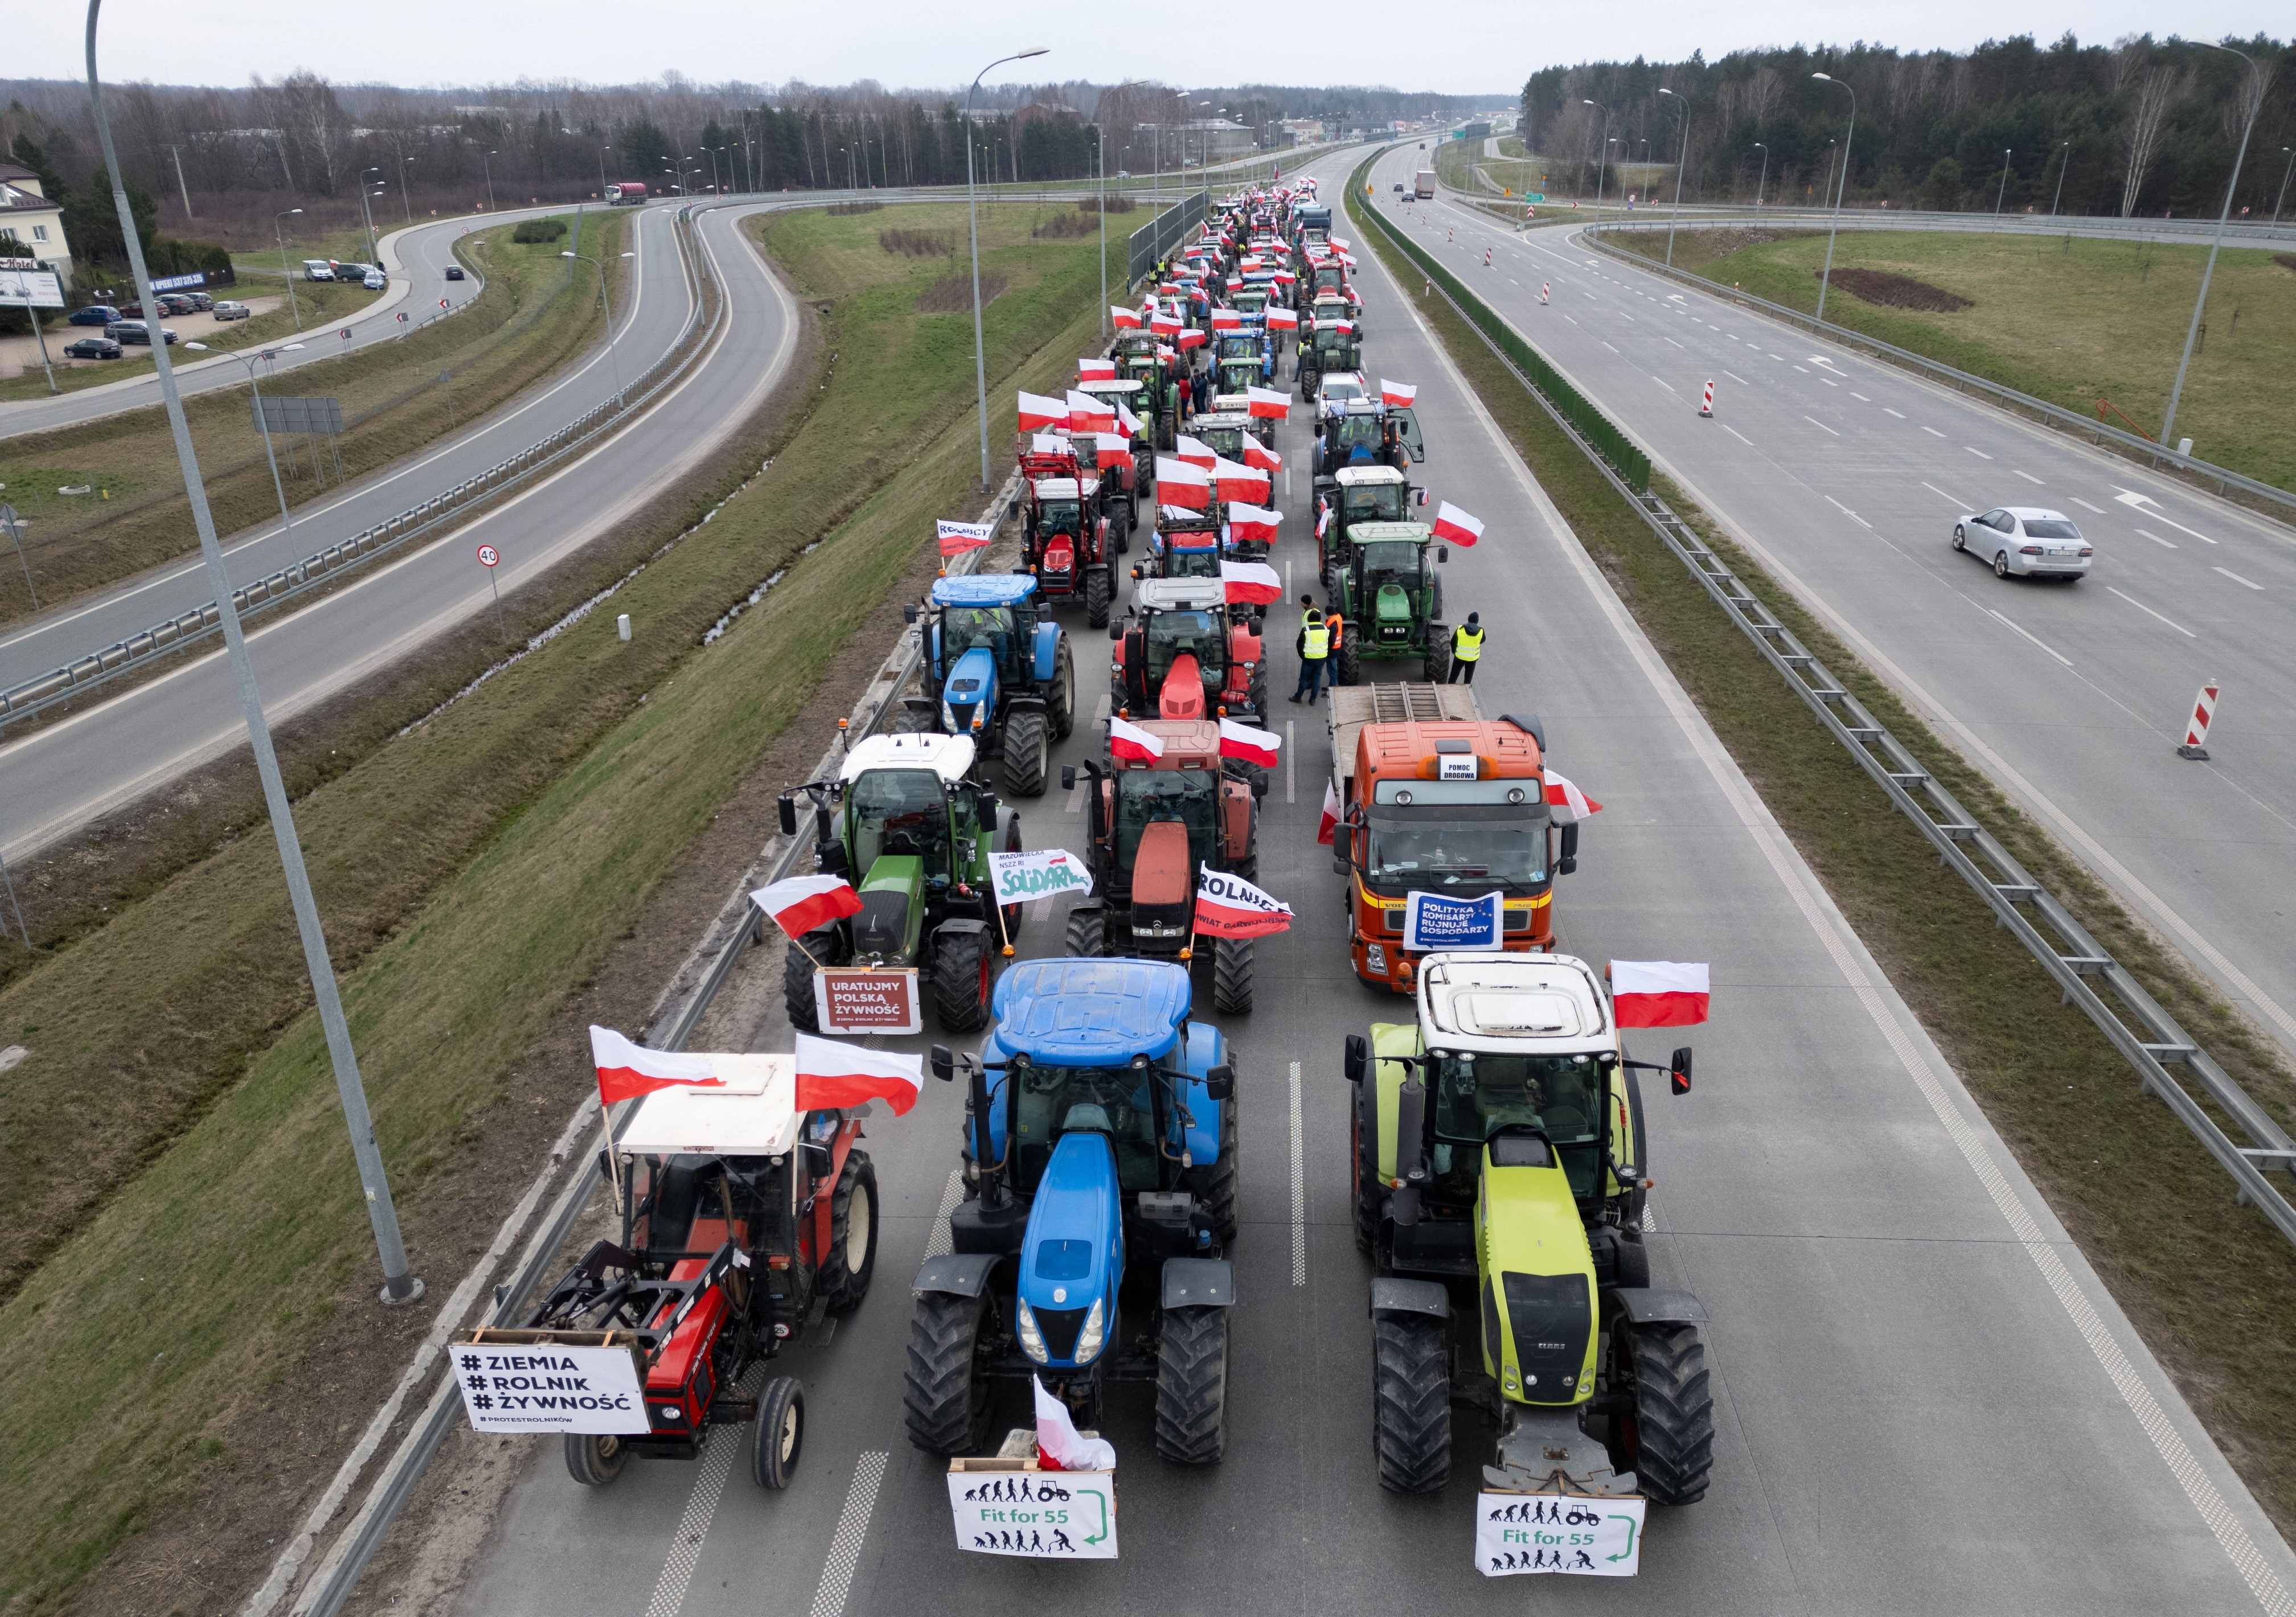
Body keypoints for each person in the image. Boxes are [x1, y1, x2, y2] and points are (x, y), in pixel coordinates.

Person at [1290, 595, 1330, 704]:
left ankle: (1298, 697)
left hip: (1309, 658)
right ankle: (1313, 699)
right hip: (1322, 658)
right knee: (1317, 678)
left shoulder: (1306, 630)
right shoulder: (1326, 629)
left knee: (1304, 679)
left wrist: (1303, 656)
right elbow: (1330, 643)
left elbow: (1299, 645)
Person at [1449, 613, 1485, 684]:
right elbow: (1483, 640)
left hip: (1459, 658)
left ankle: (1449, 689)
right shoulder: (1481, 631)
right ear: (1477, 622)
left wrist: (1456, 653)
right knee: (1468, 680)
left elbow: (1453, 642)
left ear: (1468, 620)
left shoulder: (1460, 629)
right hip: (1472, 659)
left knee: (1453, 677)